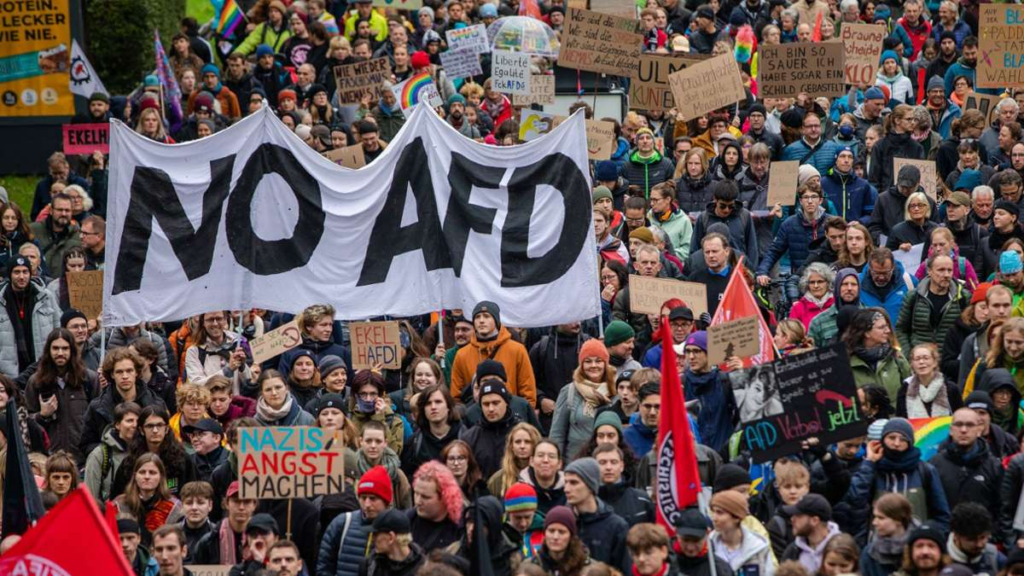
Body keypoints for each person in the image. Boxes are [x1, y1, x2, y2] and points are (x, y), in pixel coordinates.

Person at [845, 418, 951, 532]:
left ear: (910, 442)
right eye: (891, 438)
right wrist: (869, 462)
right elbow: (855, 500)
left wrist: (928, 538)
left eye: (903, 439)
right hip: (878, 545)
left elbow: (942, 516)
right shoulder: (871, 469)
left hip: (914, 545)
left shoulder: (925, 471)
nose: (896, 443)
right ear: (882, 440)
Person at [24, 327, 99, 461]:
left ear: (72, 351)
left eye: (65, 348)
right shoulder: (36, 382)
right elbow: (25, 423)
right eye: (55, 348)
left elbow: (99, 419)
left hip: (82, 460)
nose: (60, 353)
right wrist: (41, 415)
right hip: (48, 459)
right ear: (48, 351)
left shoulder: (89, 379)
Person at [450, 301, 536, 408]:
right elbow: (456, 397)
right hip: (475, 419)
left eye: (486, 316)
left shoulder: (517, 350)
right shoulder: (462, 355)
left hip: (511, 417)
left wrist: (521, 415)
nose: (481, 321)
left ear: (496, 320)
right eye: (477, 317)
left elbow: (528, 392)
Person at [317, 466, 392, 576]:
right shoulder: (342, 523)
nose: (367, 504)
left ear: (386, 501)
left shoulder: (397, 529)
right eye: (363, 497)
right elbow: (324, 567)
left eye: (373, 498)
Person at [756, 182, 831, 290]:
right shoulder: (789, 224)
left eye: (813, 197)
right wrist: (762, 272)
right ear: (800, 201)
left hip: (826, 281)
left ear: (820, 200)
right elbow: (774, 251)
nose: (810, 201)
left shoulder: (831, 222)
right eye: (806, 197)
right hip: (799, 281)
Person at [550, 339, 614, 461]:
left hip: (607, 465)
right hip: (574, 465)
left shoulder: (615, 391)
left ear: (606, 363)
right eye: (588, 361)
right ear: (581, 365)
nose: (593, 365)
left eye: (599, 361)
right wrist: (556, 464)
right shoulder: (569, 391)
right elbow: (557, 434)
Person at [564, 457, 631, 574]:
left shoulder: (616, 526)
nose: (566, 489)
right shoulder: (562, 522)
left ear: (591, 485)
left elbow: (625, 570)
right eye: (566, 482)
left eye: (573, 482)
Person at [928, 408, 1002, 513]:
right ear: (951, 430)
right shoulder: (934, 465)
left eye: (970, 425)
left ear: (979, 430)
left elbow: (1001, 509)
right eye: (958, 424)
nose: (963, 430)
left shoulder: (994, 466)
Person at [0, 256, 61, 377]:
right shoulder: (2, 300)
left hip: (42, 367)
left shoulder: (45, 296)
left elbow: (58, 328)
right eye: (17, 272)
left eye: (25, 271)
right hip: (9, 372)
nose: (21, 277)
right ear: (10, 274)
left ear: (30, 273)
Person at [459, 366, 520, 479]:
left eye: (495, 403)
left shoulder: (521, 433)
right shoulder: (470, 438)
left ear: (506, 403)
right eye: (486, 404)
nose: (491, 409)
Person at [682, 331, 736, 453]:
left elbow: (746, 411)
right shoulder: (680, 383)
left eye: (696, 351)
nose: (691, 357)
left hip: (722, 456)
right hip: (692, 457)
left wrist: (741, 376)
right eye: (688, 351)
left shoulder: (725, 381)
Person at [114, 453, 184, 545]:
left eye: (152, 473)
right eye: (142, 472)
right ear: (135, 476)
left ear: (161, 476)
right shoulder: (119, 504)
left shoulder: (174, 507)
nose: (147, 477)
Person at [84, 400, 140, 503]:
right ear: (117, 425)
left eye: (138, 421)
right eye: (129, 421)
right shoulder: (100, 454)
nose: (134, 425)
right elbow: (90, 497)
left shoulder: (145, 452)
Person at [401, 384, 462, 478]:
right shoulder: (414, 443)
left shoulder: (465, 437)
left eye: (438, 402)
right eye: (428, 403)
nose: (433, 407)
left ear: (448, 406)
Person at [184, 310, 252, 394]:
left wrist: (243, 367)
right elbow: (196, 385)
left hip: (235, 403)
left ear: (225, 319)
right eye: (210, 319)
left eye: (219, 319)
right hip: (210, 404)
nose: (215, 323)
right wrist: (227, 371)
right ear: (203, 323)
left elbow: (249, 382)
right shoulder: (194, 351)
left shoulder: (238, 342)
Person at [191, 481, 256, 565]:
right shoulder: (208, 542)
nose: (241, 507)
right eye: (236, 501)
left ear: (254, 505)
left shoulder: (262, 538)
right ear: (226, 504)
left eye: (247, 502)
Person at [356, 419, 412, 509]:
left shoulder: (397, 475)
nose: (373, 446)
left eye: (378, 441)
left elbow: (407, 509)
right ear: (361, 441)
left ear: (385, 443)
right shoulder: (352, 471)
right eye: (368, 441)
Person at [779, 494, 842, 574]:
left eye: (798, 515)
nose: (792, 519)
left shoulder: (843, 548)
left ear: (815, 520)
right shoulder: (793, 551)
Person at [594, 443, 654, 526]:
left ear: (621, 466)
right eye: (602, 462)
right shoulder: (584, 502)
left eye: (613, 462)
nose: (608, 467)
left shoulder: (642, 500)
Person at [897, 344, 963, 418]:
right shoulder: (904, 390)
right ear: (912, 364)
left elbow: (960, 417)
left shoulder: (951, 389)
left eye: (926, 358)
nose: (921, 362)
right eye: (917, 359)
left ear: (935, 362)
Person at [860, 493, 913, 576]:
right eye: (875, 517)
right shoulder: (869, 553)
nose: (874, 522)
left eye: (881, 518)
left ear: (898, 519)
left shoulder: (918, 549)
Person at [945, 502, 1004, 575]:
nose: (979, 544)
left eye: (983, 537)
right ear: (956, 535)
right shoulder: (938, 558)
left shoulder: (996, 560)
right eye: (971, 539)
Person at [674, 507, 735, 576]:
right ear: (676, 534)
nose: (690, 548)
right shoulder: (665, 563)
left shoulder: (719, 570)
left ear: (708, 533)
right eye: (685, 540)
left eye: (696, 541)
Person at [363, 508, 426, 575]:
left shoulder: (424, 569)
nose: (372, 539)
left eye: (375, 534)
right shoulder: (370, 564)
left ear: (391, 537)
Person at [809, 268, 862, 347]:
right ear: (837, 287)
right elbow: (811, 354)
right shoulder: (819, 322)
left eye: (853, 284)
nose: (849, 288)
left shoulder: (869, 315)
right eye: (844, 284)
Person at [790, 263, 836, 330]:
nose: (816, 286)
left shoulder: (837, 304)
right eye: (812, 282)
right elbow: (792, 335)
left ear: (828, 283)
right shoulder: (798, 308)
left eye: (820, 281)